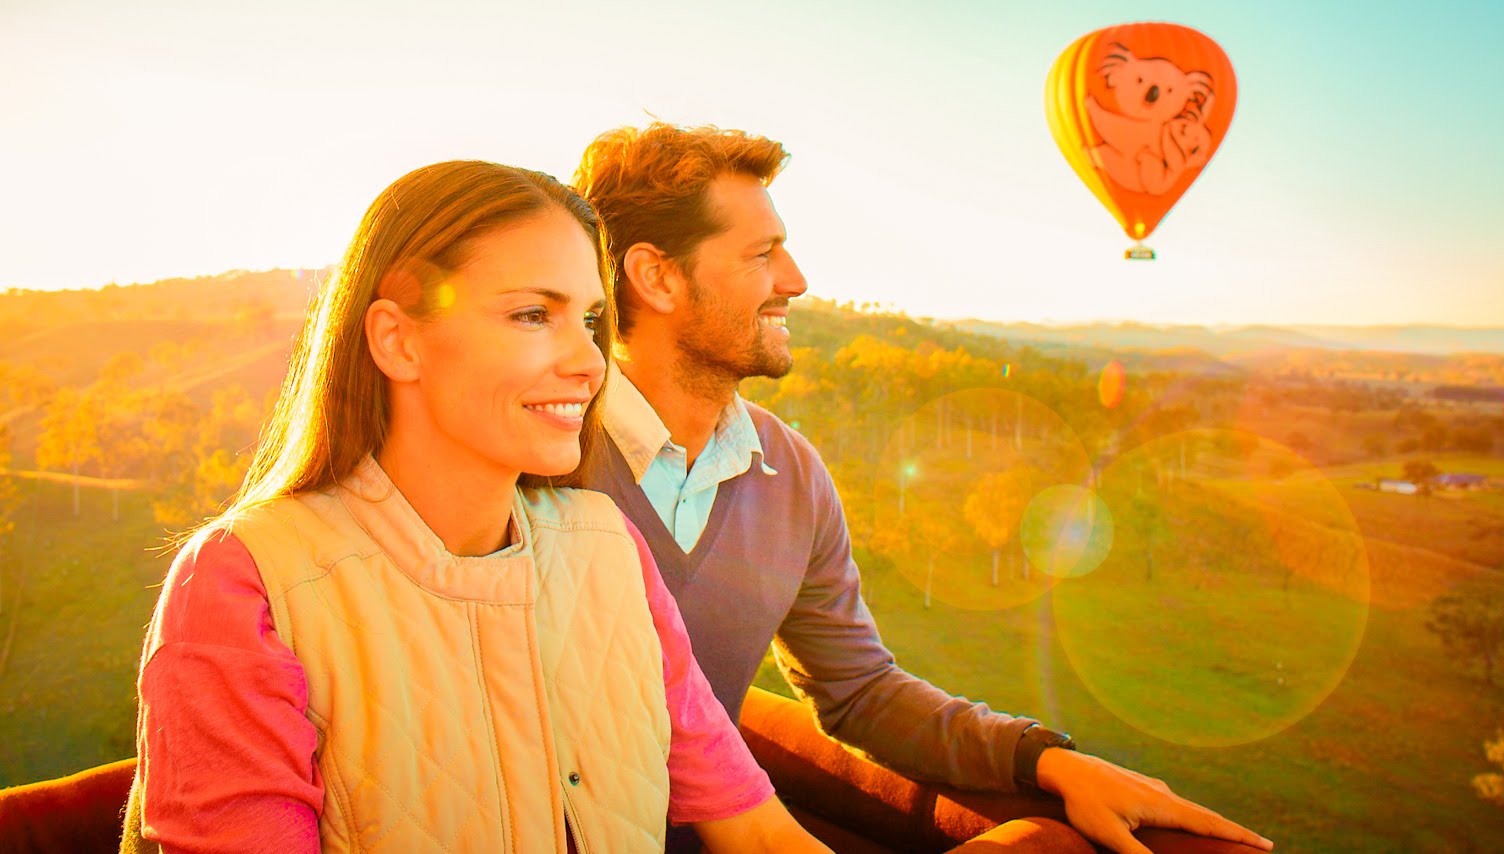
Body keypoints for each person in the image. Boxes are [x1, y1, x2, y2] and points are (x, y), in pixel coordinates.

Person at [573, 123, 1275, 854]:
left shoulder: (792, 474)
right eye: (762, 254)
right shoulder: (546, 462)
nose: (797, 279)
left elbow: (860, 692)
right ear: (656, 277)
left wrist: (1045, 758)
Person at [120, 160, 827, 853]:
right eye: (531, 314)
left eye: (588, 319)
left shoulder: (609, 548)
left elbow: (758, 832)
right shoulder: (245, 584)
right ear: (398, 341)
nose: (590, 361)